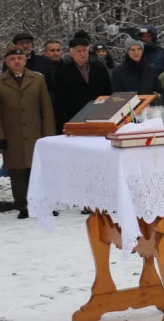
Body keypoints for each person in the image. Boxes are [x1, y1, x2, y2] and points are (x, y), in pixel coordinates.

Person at [0, 45, 55, 219]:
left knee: (39, 170)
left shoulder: (37, 79)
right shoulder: (1, 82)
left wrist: (48, 134)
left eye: (20, 58)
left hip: (35, 132)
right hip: (12, 133)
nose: (16, 61)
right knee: (17, 173)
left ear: (25, 60)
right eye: (12, 59)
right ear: (6, 62)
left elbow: (46, 108)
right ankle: (23, 205)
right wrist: (1, 136)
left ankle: (45, 203)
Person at [54, 31, 113, 133]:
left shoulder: (99, 68)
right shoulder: (62, 72)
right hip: (74, 119)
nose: (82, 54)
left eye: (84, 50)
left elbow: (108, 92)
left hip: (98, 118)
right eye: (78, 51)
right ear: (71, 53)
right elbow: (60, 102)